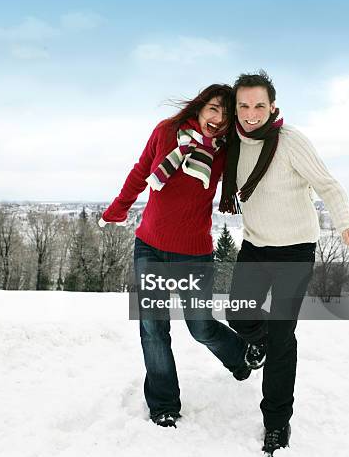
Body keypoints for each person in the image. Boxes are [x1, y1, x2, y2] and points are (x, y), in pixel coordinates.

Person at [220, 70, 349, 456]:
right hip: (255, 245)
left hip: (295, 249)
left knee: (283, 337)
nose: (251, 114)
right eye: (244, 105)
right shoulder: (231, 141)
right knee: (238, 316)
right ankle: (261, 341)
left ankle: (276, 422)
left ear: (273, 106)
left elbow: (328, 185)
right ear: (236, 107)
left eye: (259, 105)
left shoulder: (290, 141)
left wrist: (347, 223)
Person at [99, 84, 251, 428]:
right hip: (149, 246)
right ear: (200, 107)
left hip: (194, 254)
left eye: (227, 115)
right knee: (153, 329)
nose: (218, 119)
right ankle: (164, 403)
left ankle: (239, 355)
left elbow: (254, 170)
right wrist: (118, 209)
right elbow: (141, 172)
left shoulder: (226, 151)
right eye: (214, 108)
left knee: (200, 327)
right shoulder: (166, 132)